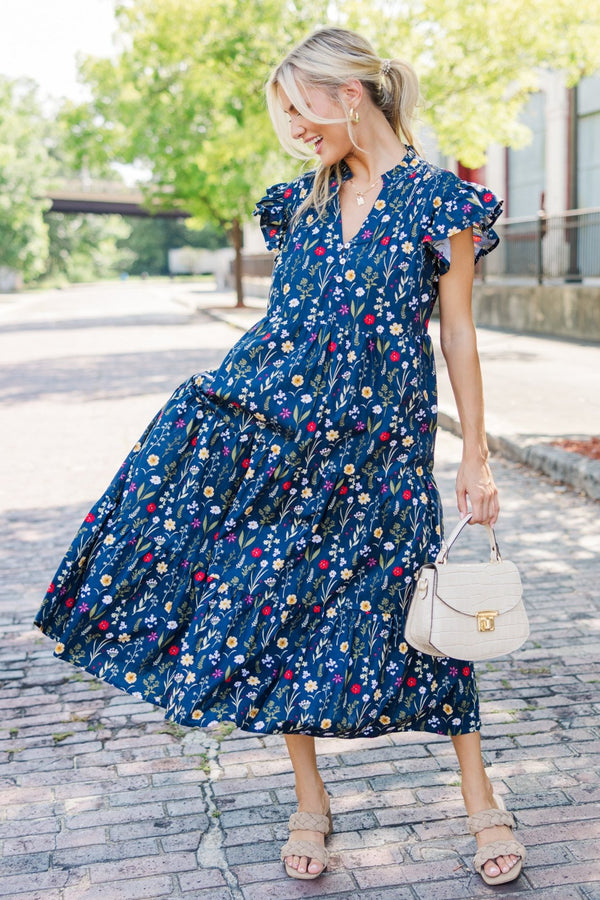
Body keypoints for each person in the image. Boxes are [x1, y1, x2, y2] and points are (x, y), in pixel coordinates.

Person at [34, 25, 525, 888]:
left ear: (351, 95)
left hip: (383, 447)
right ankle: (310, 798)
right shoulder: (294, 204)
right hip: (280, 440)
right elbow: (287, 326)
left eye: (303, 109)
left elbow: (457, 333)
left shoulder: (443, 203)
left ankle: (481, 796)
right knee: (278, 609)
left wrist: (474, 455)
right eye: (287, 115)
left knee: (429, 618)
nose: (296, 129)